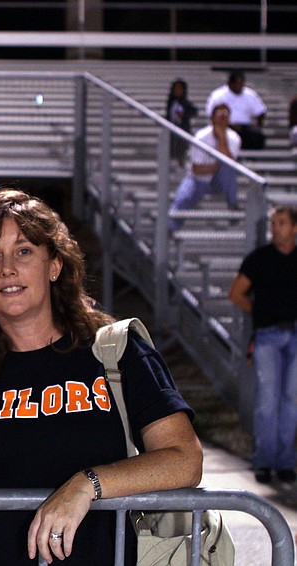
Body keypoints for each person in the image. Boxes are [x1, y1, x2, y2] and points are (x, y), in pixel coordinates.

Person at [0, 189, 203, 565]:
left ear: (55, 266)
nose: (7, 268)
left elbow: (184, 459)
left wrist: (86, 485)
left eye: (24, 251)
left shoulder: (116, 354)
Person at [228, 205, 297, 485]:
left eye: (282, 223)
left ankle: (285, 462)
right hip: (267, 335)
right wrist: (260, 312)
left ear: (294, 228)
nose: (275, 228)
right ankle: (264, 461)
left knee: (291, 399)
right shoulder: (260, 258)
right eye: (273, 223)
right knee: (268, 399)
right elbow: (236, 293)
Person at [168, 103, 241, 230]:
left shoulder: (234, 138)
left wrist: (222, 139)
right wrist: (217, 166)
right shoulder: (201, 136)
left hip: (220, 181)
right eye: (220, 116)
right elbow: (197, 169)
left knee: (228, 170)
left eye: (225, 117)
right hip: (198, 179)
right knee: (183, 197)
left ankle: (233, 207)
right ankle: (171, 228)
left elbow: (229, 164)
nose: (222, 120)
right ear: (212, 118)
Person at [205, 70, 267, 150]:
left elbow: (260, 111)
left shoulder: (250, 94)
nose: (238, 86)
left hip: (244, 128)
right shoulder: (218, 95)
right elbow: (210, 113)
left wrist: (258, 126)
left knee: (258, 136)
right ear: (230, 83)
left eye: (241, 83)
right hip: (225, 126)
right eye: (236, 83)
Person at [166, 78, 198, 167]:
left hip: (183, 130)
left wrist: (183, 115)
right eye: (176, 89)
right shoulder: (171, 102)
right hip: (171, 132)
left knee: (181, 153)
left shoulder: (185, 103)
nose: (178, 91)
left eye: (180, 89)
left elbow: (194, 112)